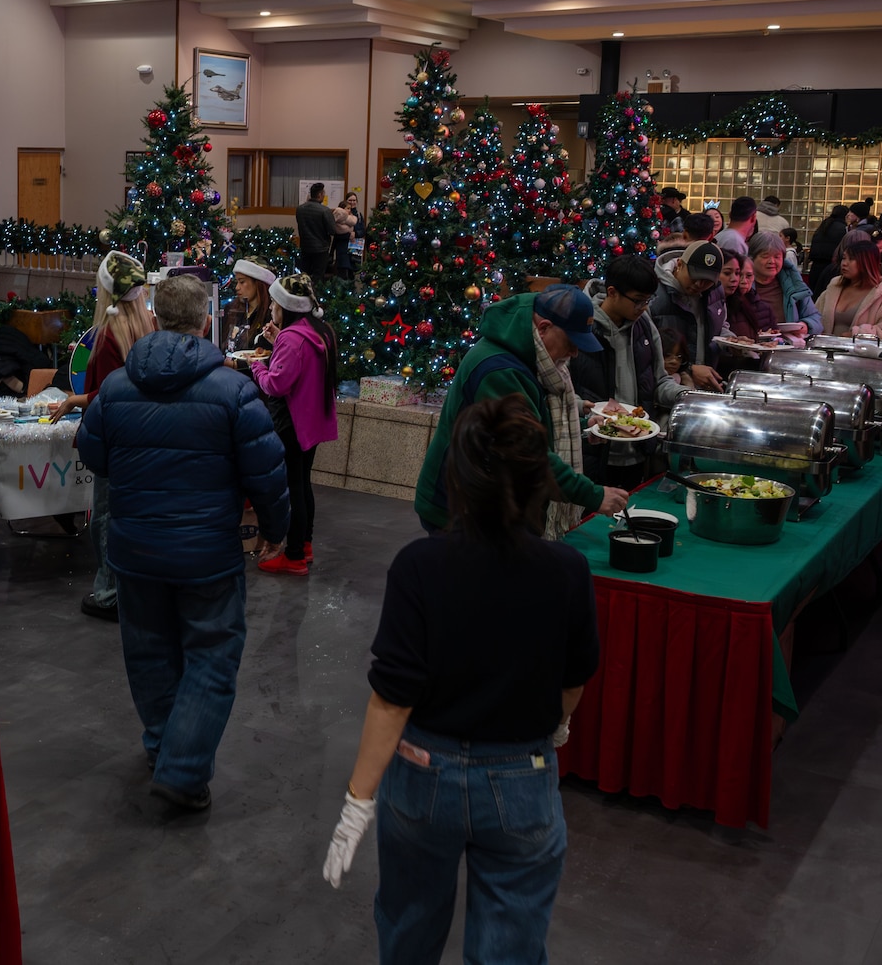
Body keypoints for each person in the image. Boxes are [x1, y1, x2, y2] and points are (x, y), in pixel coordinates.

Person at [322, 396, 596, 963]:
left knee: (408, 926)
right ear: (538, 480)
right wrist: (560, 724)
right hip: (524, 777)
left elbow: (392, 698)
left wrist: (358, 800)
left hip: (425, 775)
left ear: (458, 477)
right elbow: (574, 678)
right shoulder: (566, 571)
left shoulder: (420, 566)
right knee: (511, 941)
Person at [77, 273, 289, 812]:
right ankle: (183, 767)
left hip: (134, 549)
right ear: (203, 323)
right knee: (212, 656)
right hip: (206, 554)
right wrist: (274, 527)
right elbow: (266, 470)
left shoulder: (119, 386)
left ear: (155, 319)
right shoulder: (234, 390)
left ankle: (162, 748)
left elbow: (93, 454)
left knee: (149, 653)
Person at [416, 286, 629, 540]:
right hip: (462, 509)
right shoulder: (501, 371)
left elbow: (534, 417)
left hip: (489, 503)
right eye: (571, 343)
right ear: (544, 328)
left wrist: (584, 425)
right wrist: (593, 495)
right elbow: (526, 453)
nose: (574, 353)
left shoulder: (529, 354)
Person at [48, 251, 156, 621]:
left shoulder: (109, 336)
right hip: (140, 439)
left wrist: (74, 399)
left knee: (105, 518)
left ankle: (110, 593)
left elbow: (111, 394)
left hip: (114, 442)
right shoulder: (147, 327)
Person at [253, 273, 340, 576]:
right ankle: (305, 544)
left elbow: (276, 385)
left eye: (275, 304)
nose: (272, 309)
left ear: (287, 307)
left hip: (292, 422)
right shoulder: (320, 330)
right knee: (303, 483)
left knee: (293, 488)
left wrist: (256, 366)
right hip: (312, 421)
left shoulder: (292, 338)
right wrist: (278, 340)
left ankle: (293, 557)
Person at [572, 254, 683, 490]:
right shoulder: (583, 328)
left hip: (637, 452)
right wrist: (585, 410)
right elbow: (563, 392)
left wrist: (685, 395)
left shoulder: (644, 325)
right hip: (592, 453)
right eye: (638, 300)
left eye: (648, 301)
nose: (643, 308)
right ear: (612, 292)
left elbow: (659, 381)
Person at [651, 239, 729, 390]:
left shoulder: (714, 292)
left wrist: (731, 341)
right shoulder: (655, 296)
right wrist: (689, 369)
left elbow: (720, 326)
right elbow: (647, 351)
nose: (699, 285)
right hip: (666, 388)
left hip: (704, 385)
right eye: (694, 277)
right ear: (680, 264)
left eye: (706, 281)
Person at [814, 231, 882, 343]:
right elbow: (814, 316)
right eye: (844, 258)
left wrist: (857, 334)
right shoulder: (833, 289)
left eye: (851, 259)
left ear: (866, 263)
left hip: (862, 356)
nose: (844, 263)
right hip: (826, 352)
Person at [748, 231, 821, 337]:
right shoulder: (742, 284)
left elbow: (815, 318)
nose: (772, 261)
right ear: (752, 258)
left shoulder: (793, 284)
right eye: (765, 256)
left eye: (777, 257)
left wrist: (805, 325)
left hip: (787, 347)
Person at [227, 258, 278, 353]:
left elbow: (266, 354)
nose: (237, 287)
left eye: (242, 282)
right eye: (237, 282)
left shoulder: (271, 316)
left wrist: (238, 365)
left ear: (258, 283)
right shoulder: (233, 310)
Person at [720, 253, 775, 340]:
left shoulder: (764, 308)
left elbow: (774, 335)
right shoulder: (722, 303)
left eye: (749, 276)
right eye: (740, 274)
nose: (744, 281)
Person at [296, 183, 335, 280]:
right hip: (321, 249)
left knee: (304, 275)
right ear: (320, 195)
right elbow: (332, 230)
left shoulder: (300, 209)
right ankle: (315, 294)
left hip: (305, 247)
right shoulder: (325, 211)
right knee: (318, 277)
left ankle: (304, 293)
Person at [807, 203, 855, 281]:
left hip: (816, 265)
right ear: (845, 215)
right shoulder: (843, 229)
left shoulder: (824, 225)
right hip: (831, 266)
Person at [332, 192, 360, 277]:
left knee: (353, 273)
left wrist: (355, 233)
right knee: (343, 272)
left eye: (354, 200)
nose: (352, 202)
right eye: (350, 200)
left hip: (355, 247)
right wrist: (348, 235)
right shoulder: (339, 216)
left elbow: (362, 230)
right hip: (343, 247)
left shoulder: (358, 215)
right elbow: (337, 234)